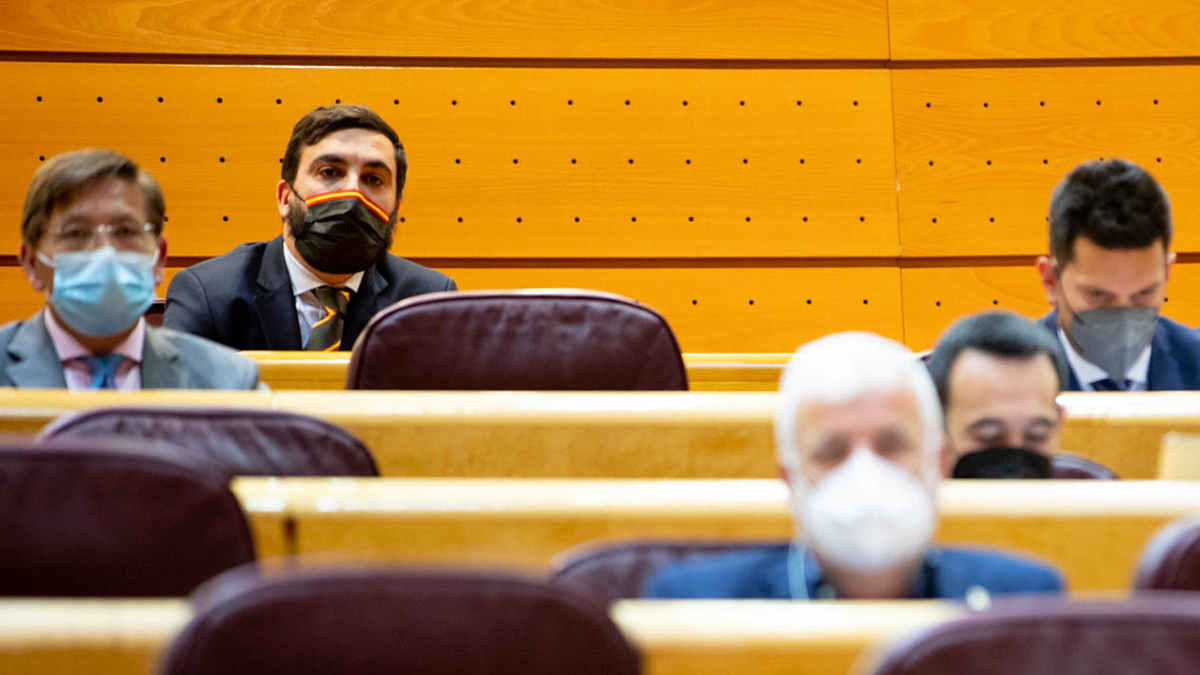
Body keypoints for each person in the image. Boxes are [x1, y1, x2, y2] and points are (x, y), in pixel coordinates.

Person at [643, 332, 1064, 600]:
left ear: (938, 462)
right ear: (789, 478)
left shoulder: (1024, 598)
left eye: (891, 444)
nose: (866, 474)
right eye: (832, 452)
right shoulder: (696, 605)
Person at [163, 105, 456, 351]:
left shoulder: (428, 302)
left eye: (374, 179)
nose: (352, 194)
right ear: (285, 197)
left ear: (396, 208)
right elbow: (172, 414)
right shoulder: (208, 294)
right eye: (330, 172)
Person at [3, 149, 260, 390]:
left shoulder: (229, 381)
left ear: (159, 258)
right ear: (32, 263)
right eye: (76, 233)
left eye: (125, 231)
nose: (104, 252)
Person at [1036, 158, 1200, 391]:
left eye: (1144, 293)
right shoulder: (998, 381)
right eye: (1098, 294)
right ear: (1051, 280)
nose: (1124, 319)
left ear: (1166, 273)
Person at [925, 311, 1068, 479]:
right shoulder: (903, 500)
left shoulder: (1089, 498)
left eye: (1037, 436)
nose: (1016, 456)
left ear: (1058, 421)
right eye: (989, 437)